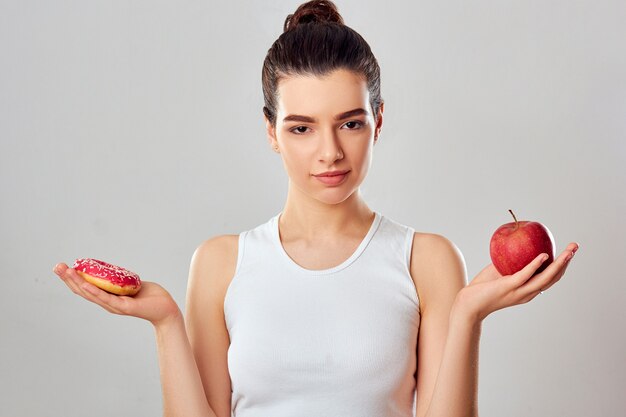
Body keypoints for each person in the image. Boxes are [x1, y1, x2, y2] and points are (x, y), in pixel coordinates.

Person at [52, 1, 579, 416]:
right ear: (270, 132)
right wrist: (166, 323)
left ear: (378, 120)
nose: (329, 151)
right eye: (300, 127)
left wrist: (467, 316)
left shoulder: (428, 259)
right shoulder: (219, 263)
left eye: (350, 123)